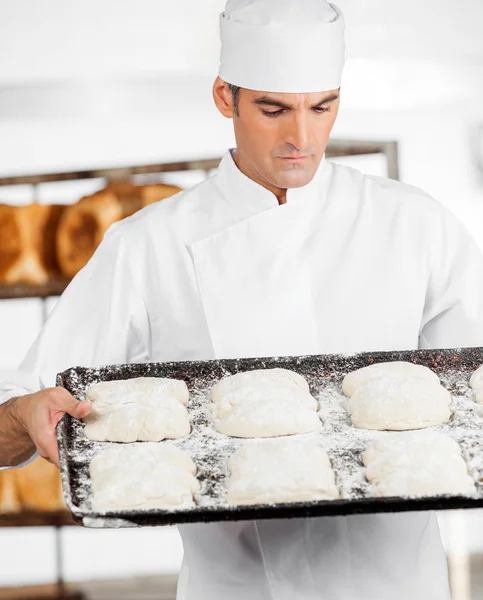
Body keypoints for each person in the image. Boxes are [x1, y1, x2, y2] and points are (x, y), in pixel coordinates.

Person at [1, 0, 483, 598]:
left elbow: (472, 394)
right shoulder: (150, 246)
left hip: (401, 587)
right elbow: (15, 416)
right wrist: (22, 419)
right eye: (273, 109)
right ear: (225, 97)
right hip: (237, 589)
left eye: (322, 107)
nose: (300, 138)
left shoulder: (415, 225)